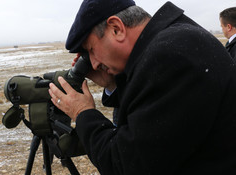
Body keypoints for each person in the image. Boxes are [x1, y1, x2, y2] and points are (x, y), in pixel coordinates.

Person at [49, 0, 236, 174]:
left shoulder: (169, 56)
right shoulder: (175, 40)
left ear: (116, 28)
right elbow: (151, 109)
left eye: (91, 50)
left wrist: (83, 113)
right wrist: (113, 83)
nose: (94, 64)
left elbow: (127, 165)